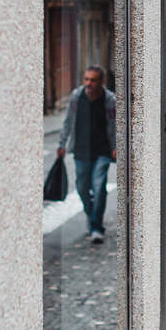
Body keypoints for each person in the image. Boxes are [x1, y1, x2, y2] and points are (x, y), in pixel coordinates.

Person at [58, 65, 117, 243]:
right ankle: (93, 218)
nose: (88, 84)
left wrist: (116, 146)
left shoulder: (109, 100)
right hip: (81, 150)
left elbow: (115, 125)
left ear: (101, 82)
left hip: (102, 151)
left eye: (93, 80)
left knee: (99, 188)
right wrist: (62, 144)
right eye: (86, 79)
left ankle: (96, 227)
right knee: (82, 188)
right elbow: (68, 121)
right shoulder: (77, 97)